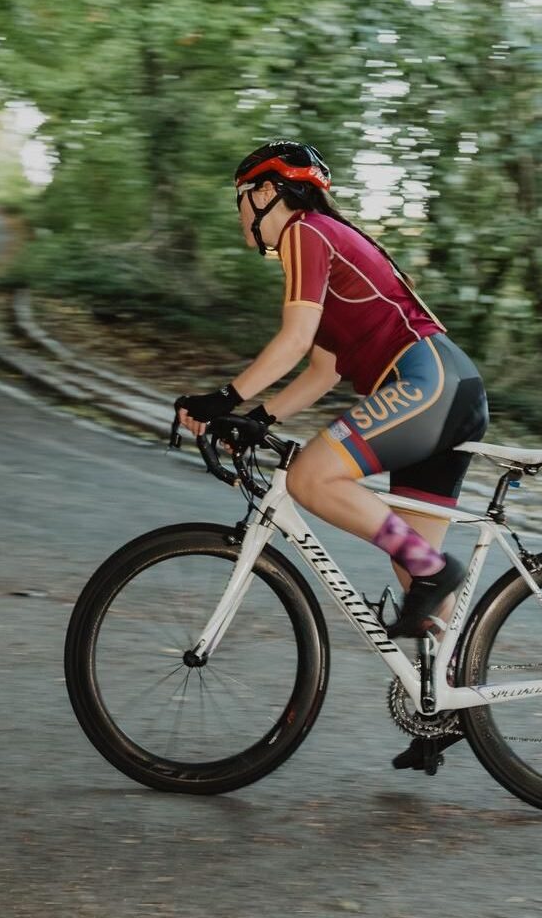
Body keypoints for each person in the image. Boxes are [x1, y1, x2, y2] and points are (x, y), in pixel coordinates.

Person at [176, 141, 487, 767]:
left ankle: (436, 574)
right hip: (448, 389)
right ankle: (445, 709)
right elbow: (320, 368)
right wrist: (255, 417)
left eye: (240, 202)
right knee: (411, 562)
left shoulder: (306, 232)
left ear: (265, 193)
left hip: (424, 382)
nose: (240, 216)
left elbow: (291, 340)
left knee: (313, 477)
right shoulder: (325, 244)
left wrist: (222, 398)